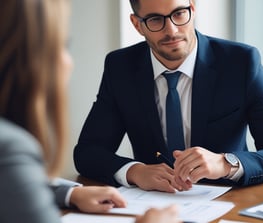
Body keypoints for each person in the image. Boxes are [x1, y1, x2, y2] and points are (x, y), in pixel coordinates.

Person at [73, 0, 263, 193]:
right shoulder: (120, 67)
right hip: (153, 205)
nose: (171, 30)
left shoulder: (241, 62)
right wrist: (135, 171)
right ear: (136, 24)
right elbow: (87, 152)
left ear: (192, 8)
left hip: (227, 202)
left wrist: (226, 163)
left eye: (179, 13)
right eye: (154, 19)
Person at [0, 0, 180, 223]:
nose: (68, 62)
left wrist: (69, 193)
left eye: (179, 13)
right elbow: (88, 151)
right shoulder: (9, 148)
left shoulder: (235, 60)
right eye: (62, 45)